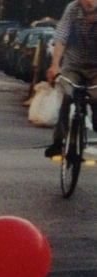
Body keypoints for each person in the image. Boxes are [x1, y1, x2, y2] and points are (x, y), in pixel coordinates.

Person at [44, 0, 97, 158]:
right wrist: (55, 66)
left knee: (96, 98)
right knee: (66, 95)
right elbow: (61, 37)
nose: (89, 2)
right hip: (73, 64)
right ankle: (58, 140)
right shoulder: (73, 9)